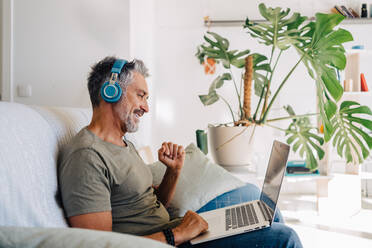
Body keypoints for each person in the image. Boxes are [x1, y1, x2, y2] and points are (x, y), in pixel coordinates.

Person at [58, 56, 303, 247]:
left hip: (178, 233)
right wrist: (178, 233)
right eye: (140, 95)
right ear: (110, 91)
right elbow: (97, 245)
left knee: (268, 217)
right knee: (284, 238)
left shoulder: (123, 144)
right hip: (174, 240)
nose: (145, 107)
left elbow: (152, 205)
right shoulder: (87, 156)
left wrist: (173, 172)